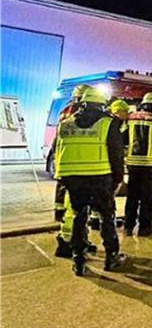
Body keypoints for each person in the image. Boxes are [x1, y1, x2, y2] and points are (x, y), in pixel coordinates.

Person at [53, 87, 125, 276]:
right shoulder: (109, 124)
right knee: (106, 217)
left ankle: (78, 259)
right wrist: (118, 178)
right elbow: (116, 154)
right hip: (100, 177)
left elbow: (57, 152)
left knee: (78, 217)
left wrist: (62, 178)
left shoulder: (65, 124)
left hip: (73, 179)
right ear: (102, 104)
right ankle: (111, 256)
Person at [122, 92, 152, 237]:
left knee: (132, 197)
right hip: (150, 166)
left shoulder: (130, 118)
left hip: (132, 165)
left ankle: (128, 226)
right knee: (147, 198)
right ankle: (144, 228)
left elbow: (123, 138)